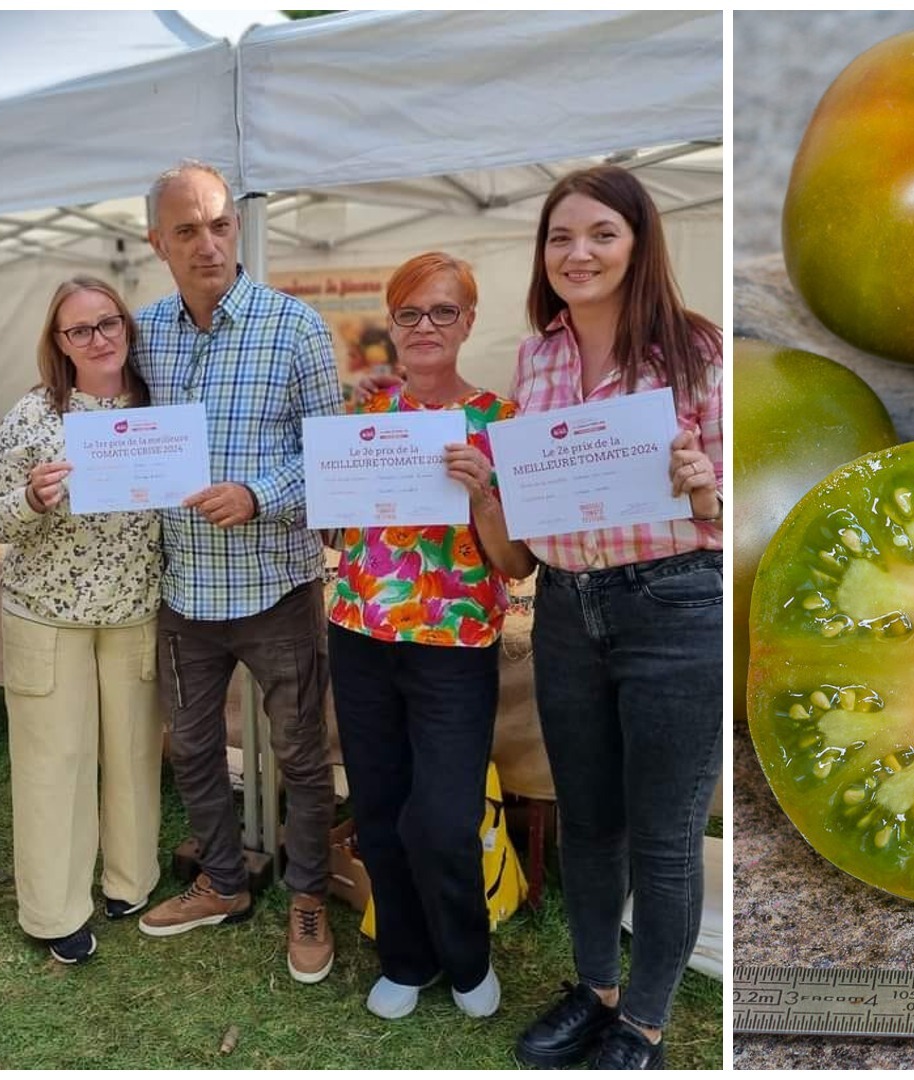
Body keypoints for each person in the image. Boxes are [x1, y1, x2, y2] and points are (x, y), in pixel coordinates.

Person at [510, 165, 723, 1070]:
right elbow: (539, 489)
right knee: (588, 818)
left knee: (665, 830)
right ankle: (594, 988)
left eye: (601, 233)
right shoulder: (537, 356)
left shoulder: (697, 352)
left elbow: (738, 509)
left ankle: (642, 1021)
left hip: (672, 604)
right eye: (561, 237)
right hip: (565, 606)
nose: (578, 253)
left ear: (639, 243)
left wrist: (708, 484)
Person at [128, 160, 342, 984]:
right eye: (187, 230)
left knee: (300, 755)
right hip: (185, 588)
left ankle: (309, 895)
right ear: (159, 243)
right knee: (189, 747)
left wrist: (259, 493)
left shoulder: (296, 328)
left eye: (219, 224)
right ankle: (222, 880)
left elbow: (326, 456)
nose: (207, 243)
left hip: (276, 587)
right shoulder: (145, 332)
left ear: (238, 229)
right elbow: (119, 436)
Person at [329, 252, 533, 1023]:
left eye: (442, 312)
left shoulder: (503, 423)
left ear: (469, 322)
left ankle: (467, 954)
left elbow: (515, 562)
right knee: (379, 808)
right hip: (360, 636)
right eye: (410, 313)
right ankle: (406, 960)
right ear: (392, 323)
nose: (424, 328)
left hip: (456, 646)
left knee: (443, 817)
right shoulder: (363, 421)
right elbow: (342, 532)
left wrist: (483, 494)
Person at [0, 276, 164, 965]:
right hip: (48, 614)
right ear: (58, 342)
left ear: (126, 326)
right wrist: (30, 496)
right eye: (79, 330)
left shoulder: (159, 409)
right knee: (55, 762)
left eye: (108, 322)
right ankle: (55, 910)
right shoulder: (32, 415)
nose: (98, 339)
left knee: (137, 754)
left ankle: (130, 881)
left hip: (135, 609)